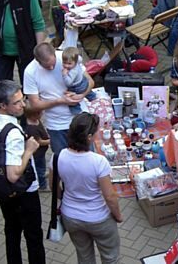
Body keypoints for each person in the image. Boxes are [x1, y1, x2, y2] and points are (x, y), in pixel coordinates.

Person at [0, 80, 45, 264]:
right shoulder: (14, 133)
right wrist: (29, 151)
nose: (23, 105)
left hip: (1, 189)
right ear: (3, 105)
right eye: (16, 103)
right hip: (24, 191)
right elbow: (13, 174)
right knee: (33, 236)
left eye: (22, 99)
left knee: (11, 230)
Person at [49, 113, 123, 264]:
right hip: (99, 218)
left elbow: (53, 186)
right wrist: (118, 215)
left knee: (84, 256)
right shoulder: (98, 162)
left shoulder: (57, 157)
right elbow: (110, 197)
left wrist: (64, 198)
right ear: (89, 137)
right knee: (110, 257)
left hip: (71, 217)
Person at [24, 42, 94, 155]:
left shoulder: (67, 58)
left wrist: (81, 95)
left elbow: (90, 82)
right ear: (37, 61)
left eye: (53, 64)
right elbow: (35, 104)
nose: (51, 68)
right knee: (61, 163)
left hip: (80, 119)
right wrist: (60, 101)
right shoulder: (30, 72)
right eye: (46, 66)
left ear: (55, 54)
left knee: (87, 159)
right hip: (56, 126)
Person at [23, 102, 51, 192]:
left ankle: (42, 174)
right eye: (40, 113)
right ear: (33, 116)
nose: (42, 114)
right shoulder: (32, 129)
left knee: (41, 165)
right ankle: (42, 185)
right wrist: (50, 141)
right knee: (40, 168)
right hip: (37, 153)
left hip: (41, 152)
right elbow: (39, 142)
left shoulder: (35, 121)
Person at [62, 47, 96, 115]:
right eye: (64, 63)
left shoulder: (73, 71)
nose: (66, 66)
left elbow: (68, 83)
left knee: (71, 99)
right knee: (88, 91)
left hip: (77, 87)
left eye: (69, 64)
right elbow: (80, 58)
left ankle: (76, 112)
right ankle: (93, 97)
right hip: (84, 82)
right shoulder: (78, 60)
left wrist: (64, 75)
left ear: (75, 62)